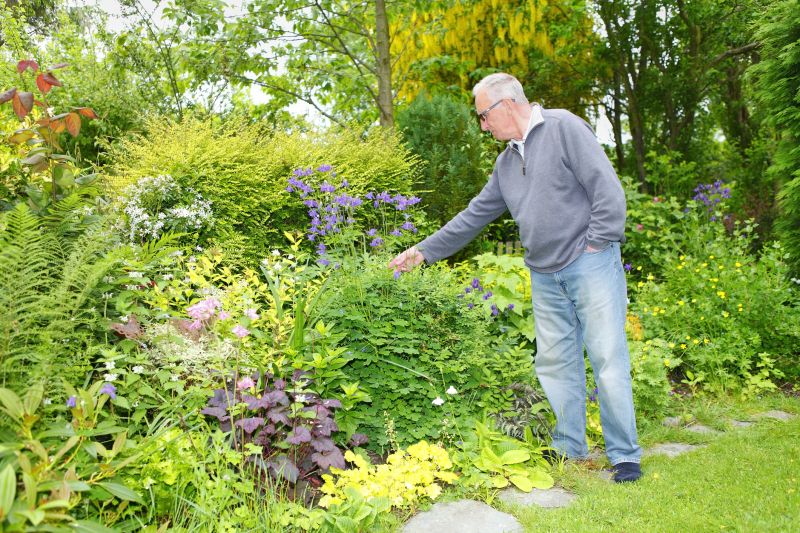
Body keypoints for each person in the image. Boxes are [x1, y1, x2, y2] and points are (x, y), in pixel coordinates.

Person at [388, 72, 642, 483]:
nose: (483, 126)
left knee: (608, 358)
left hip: (589, 264)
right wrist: (422, 252)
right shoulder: (506, 163)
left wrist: (597, 242)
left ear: (506, 105)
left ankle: (624, 455)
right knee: (557, 363)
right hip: (544, 274)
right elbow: (473, 216)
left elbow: (607, 191)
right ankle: (569, 446)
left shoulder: (565, 129)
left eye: (484, 117)